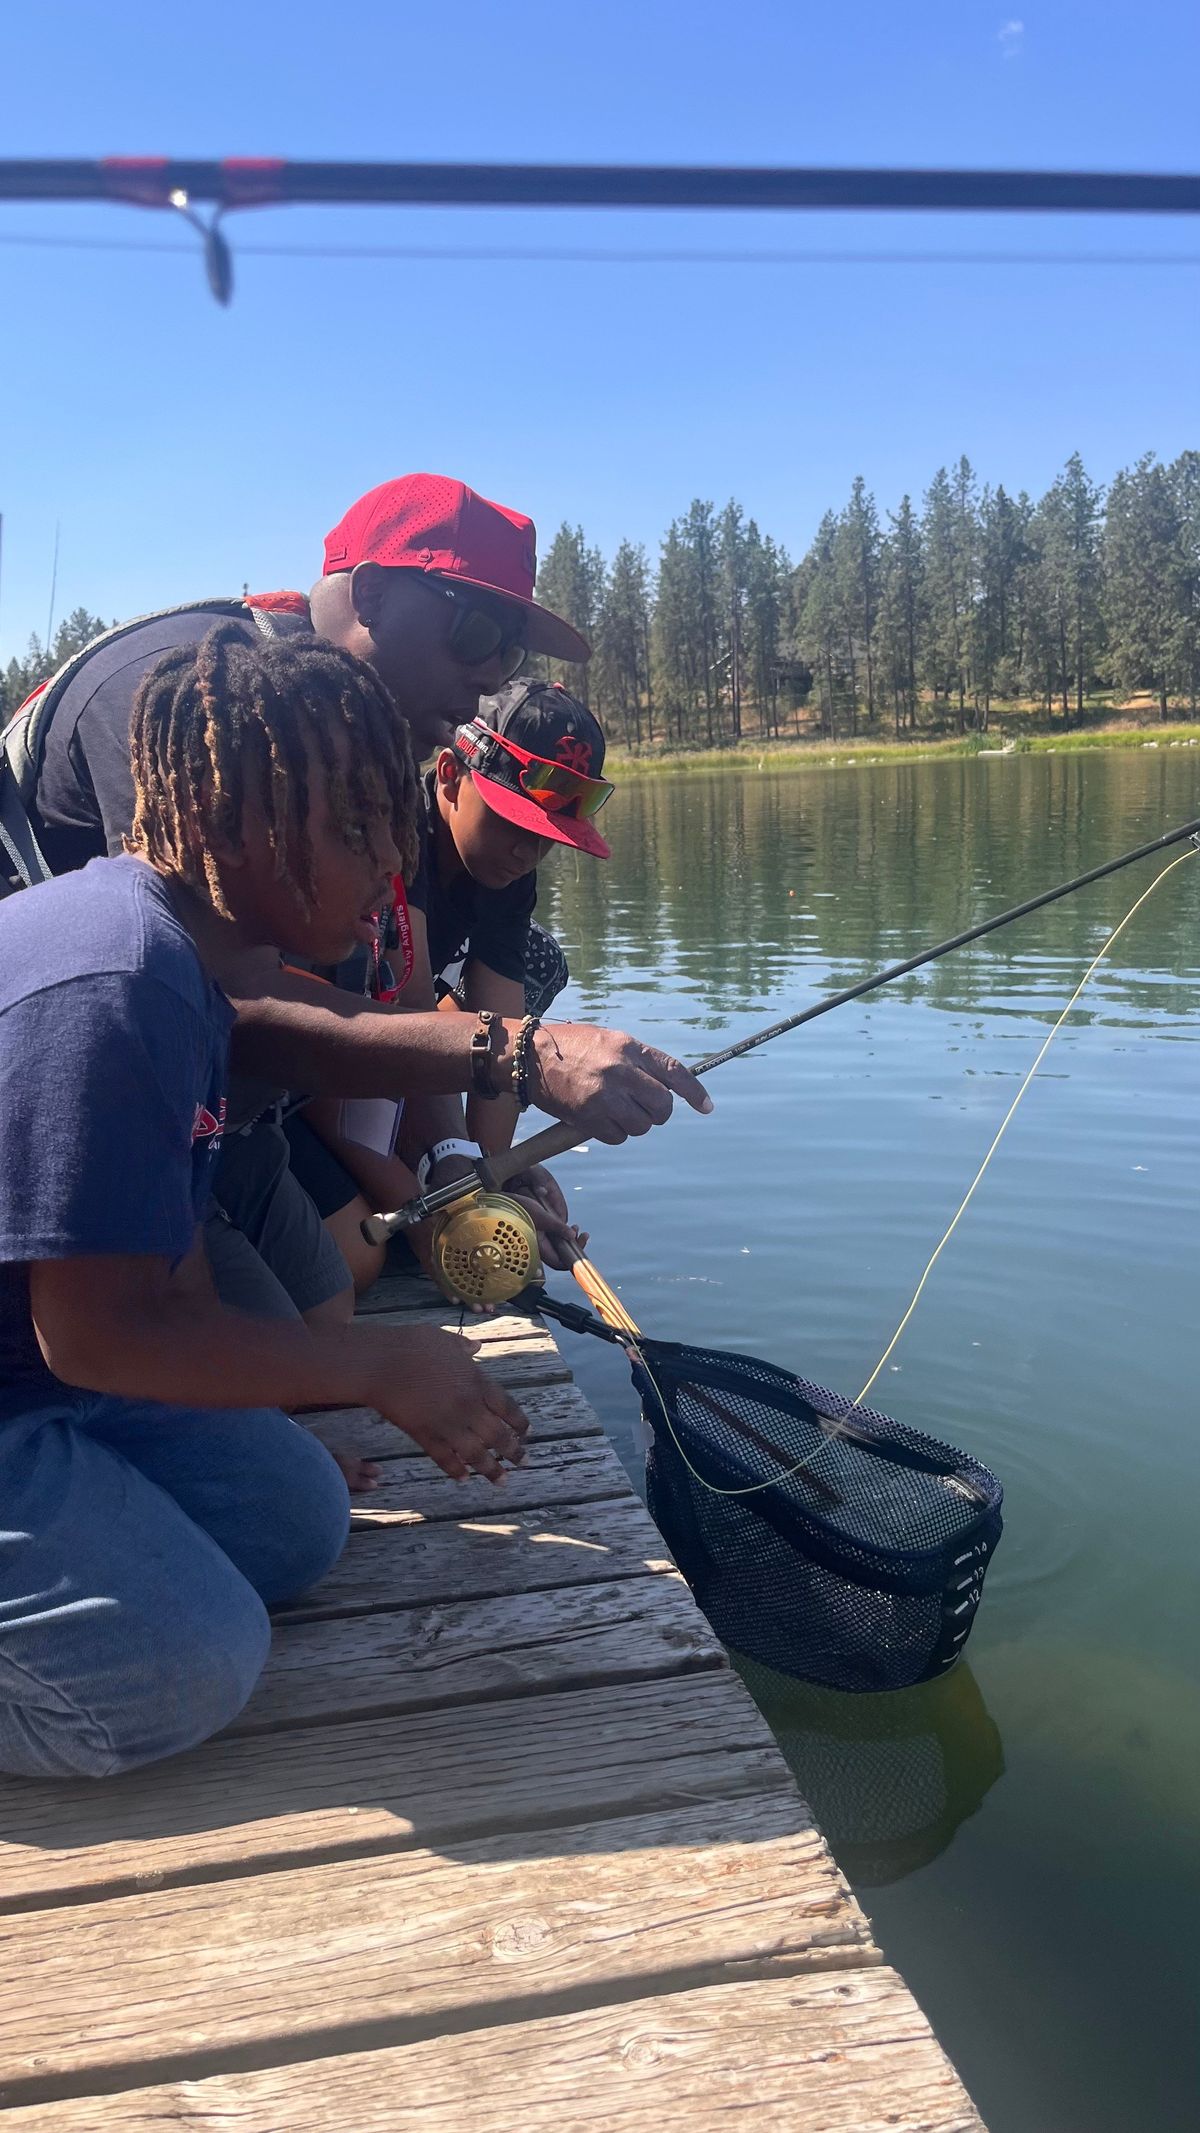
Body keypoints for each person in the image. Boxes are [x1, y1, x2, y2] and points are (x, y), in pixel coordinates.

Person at [0, 625, 531, 1780]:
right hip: (34, 1382)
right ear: (224, 825)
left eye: (387, 825)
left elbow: (171, 1279)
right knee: (188, 1666)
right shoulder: (113, 978)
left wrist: (277, 1394)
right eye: (351, 830)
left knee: (294, 1522)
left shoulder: (181, 963)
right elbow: (90, 1332)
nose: (387, 865)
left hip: (42, 1386)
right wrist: (376, 1369)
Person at [13, 474, 681, 1308]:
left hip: (226, 1105)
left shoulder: (368, 741)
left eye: (509, 652)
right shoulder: (186, 699)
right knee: (301, 1314)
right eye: (474, 632)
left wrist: (455, 1164)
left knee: (329, 1295)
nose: (487, 678)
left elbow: (398, 983)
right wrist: (522, 1053)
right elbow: (213, 1001)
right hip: (90, 1108)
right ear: (370, 593)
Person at [286, 679, 613, 1275]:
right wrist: (451, 1185)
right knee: (359, 1259)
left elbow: (505, 1032)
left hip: (404, 1032)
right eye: (513, 823)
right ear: (448, 776)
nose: (526, 852)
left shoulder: (510, 873)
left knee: (540, 962)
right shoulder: (391, 839)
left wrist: (497, 1174)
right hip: (329, 1045)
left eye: (545, 839)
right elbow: (408, 1030)